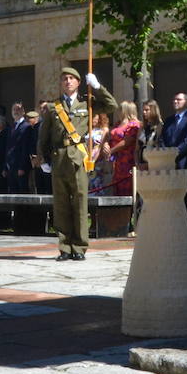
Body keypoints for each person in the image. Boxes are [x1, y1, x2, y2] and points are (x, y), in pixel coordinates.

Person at [38, 67, 117, 261]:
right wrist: (43, 159)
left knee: (80, 202)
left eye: (72, 78)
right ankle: (64, 246)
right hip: (59, 158)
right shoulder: (52, 107)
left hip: (79, 158)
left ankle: (80, 247)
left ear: (78, 82)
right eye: (64, 78)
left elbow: (111, 105)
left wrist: (97, 86)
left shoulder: (87, 103)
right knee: (61, 204)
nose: (67, 81)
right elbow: (44, 136)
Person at [162, 91, 187, 221]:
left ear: (186, 102)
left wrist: (175, 152)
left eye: (179, 99)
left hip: (185, 162)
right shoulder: (168, 120)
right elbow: (163, 139)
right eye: (174, 99)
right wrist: (167, 154)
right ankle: (173, 220)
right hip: (169, 163)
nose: (175, 101)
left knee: (186, 193)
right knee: (172, 193)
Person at [106, 101, 140, 198]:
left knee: (127, 187)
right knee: (117, 188)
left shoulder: (134, 125)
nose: (118, 111)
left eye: (120, 109)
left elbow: (127, 142)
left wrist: (111, 150)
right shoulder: (117, 124)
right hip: (117, 161)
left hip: (128, 160)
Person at [5, 103, 34, 193]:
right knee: (13, 192)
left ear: (23, 112)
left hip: (20, 167)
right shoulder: (11, 127)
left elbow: (25, 148)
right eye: (14, 109)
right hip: (11, 166)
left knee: (22, 192)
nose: (15, 112)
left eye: (18, 109)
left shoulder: (26, 127)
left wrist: (22, 167)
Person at [31, 103, 53, 193]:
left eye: (45, 108)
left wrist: (46, 158)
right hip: (38, 162)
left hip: (49, 161)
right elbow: (33, 142)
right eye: (41, 108)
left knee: (49, 188)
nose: (43, 110)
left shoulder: (53, 125)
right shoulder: (36, 126)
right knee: (39, 188)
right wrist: (33, 157)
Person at [89, 112, 112, 196]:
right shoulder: (88, 129)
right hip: (87, 156)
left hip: (98, 158)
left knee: (97, 180)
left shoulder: (103, 130)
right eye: (92, 117)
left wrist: (94, 160)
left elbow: (101, 145)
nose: (93, 119)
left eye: (96, 117)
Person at [137, 99, 164, 166]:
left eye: (147, 110)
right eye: (143, 110)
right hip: (141, 162)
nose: (144, 112)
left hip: (155, 161)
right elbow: (136, 149)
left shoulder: (160, 126)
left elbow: (160, 146)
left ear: (153, 110)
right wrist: (137, 163)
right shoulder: (142, 127)